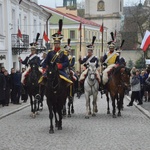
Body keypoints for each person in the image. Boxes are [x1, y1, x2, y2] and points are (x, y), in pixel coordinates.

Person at [41, 19, 72, 86]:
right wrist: (44, 68)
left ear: (60, 43)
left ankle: (69, 94)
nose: (56, 44)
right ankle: (40, 94)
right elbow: (45, 61)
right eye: (55, 43)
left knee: (68, 80)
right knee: (42, 80)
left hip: (60, 70)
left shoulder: (63, 53)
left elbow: (67, 62)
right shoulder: (50, 53)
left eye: (57, 43)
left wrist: (61, 65)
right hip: (51, 70)